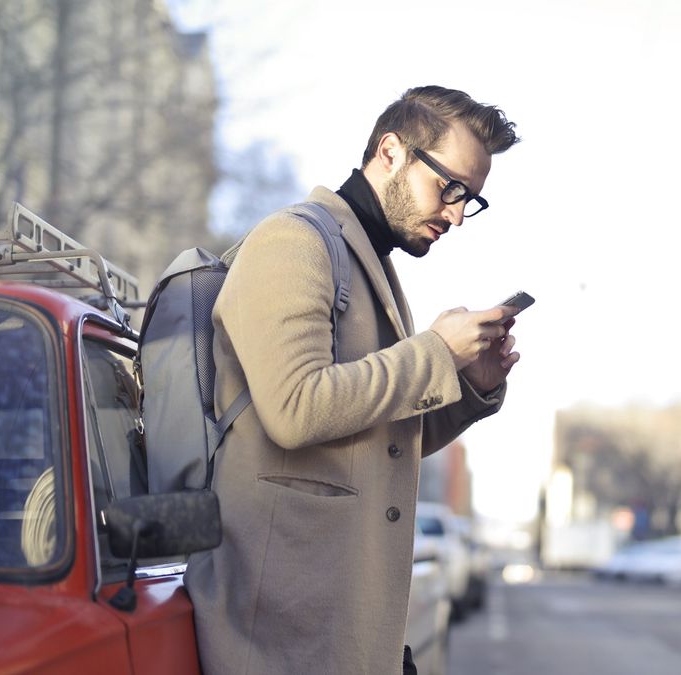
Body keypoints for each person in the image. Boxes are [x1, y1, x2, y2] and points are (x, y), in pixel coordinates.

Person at [184, 85, 522, 674]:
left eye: (472, 200)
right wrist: (435, 352)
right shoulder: (293, 241)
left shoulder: (372, 268)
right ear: (391, 151)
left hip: (344, 628)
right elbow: (296, 408)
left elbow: (377, 442)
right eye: (450, 187)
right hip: (280, 637)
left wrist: (471, 388)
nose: (457, 214)